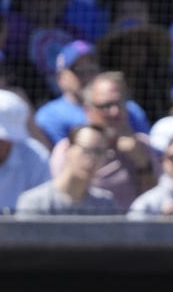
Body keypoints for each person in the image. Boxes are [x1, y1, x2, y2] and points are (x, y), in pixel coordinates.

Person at [47, 71, 160, 211]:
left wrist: (143, 165)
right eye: (106, 106)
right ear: (88, 110)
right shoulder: (69, 149)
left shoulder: (144, 146)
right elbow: (61, 198)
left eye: (120, 104)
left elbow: (156, 205)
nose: (115, 112)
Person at [34, 40, 149, 146]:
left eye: (92, 69)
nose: (87, 76)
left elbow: (151, 153)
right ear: (60, 77)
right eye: (79, 71)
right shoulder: (49, 115)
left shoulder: (129, 109)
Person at [15, 124, 119, 215]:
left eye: (99, 152)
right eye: (86, 150)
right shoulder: (35, 202)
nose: (93, 158)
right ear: (68, 150)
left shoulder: (105, 204)